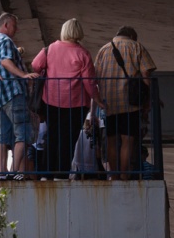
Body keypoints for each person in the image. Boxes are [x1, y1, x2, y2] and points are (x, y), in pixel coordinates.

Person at [31, 18, 102, 178]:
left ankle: (45, 174)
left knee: (52, 136)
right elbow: (89, 82)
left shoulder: (49, 49)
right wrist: (96, 99)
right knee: (68, 140)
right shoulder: (83, 53)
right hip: (75, 104)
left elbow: (36, 65)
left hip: (51, 101)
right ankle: (61, 174)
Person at [94, 26, 156, 181]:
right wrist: (150, 98)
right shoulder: (136, 47)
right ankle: (124, 175)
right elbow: (146, 73)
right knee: (128, 140)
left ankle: (114, 176)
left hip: (109, 103)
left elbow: (95, 76)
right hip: (131, 103)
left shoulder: (103, 50)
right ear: (132, 36)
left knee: (112, 140)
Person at [0, 13, 38, 178]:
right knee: (23, 133)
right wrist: (23, 75)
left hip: (0, 97)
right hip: (13, 94)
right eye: (14, 26)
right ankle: (15, 171)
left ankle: (2, 172)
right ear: (6, 25)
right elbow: (5, 61)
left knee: (3, 136)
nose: (16, 29)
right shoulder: (6, 41)